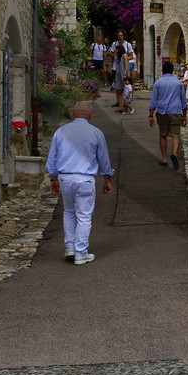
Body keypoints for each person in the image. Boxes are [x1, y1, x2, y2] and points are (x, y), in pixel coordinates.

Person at [44, 100, 114, 266]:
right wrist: (107, 180)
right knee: (83, 216)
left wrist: (53, 179)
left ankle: (70, 247)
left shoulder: (61, 132)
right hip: (85, 179)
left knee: (68, 211)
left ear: (73, 114)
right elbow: (104, 160)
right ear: (90, 116)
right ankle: (81, 252)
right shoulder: (96, 133)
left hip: (65, 178)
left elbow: (52, 159)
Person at [147, 60, 188, 169]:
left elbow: (153, 101)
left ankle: (165, 159)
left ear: (162, 71)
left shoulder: (158, 83)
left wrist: (150, 115)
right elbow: (183, 101)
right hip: (175, 112)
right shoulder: (178, 83)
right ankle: (174, 154)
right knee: (176, 135)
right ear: (173, 70)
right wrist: (184, 116)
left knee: (162, 135)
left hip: (162, 112)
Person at [113, 36, 137, 114]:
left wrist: (124, 74)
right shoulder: (118, 57)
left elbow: (126, 65)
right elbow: (116, 66)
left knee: (125, 91)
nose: (115, 52)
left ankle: (126, 108)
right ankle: (121, 107)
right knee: (119, 91)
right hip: (118, 74)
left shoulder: (124, 56)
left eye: (116, 50)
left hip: (124, 74)